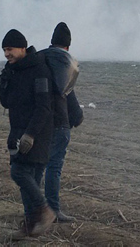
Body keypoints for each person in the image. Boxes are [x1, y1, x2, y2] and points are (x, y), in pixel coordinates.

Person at [0, 28, 56, 238]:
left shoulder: (39, 70)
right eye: (4, 50)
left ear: (23, 48)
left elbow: (44, 107)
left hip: (37, 133)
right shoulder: (13, 70)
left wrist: (30, 135)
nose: (7, 53)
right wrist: (4, 79)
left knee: (19, 173)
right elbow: (5, 101)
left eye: (10, 49)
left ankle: (44, 210)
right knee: (29, 181)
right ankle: (31, 226)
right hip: (17, 131)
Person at [41, 22, 83, 223]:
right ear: (67, 46)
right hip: (59, 123)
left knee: (37, 166)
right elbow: (68, 93)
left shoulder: (39, 59)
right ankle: (53, 209)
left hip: (38, 123)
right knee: (54, 167)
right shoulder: (66, 63)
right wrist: (77, 117)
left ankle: (34, 208)